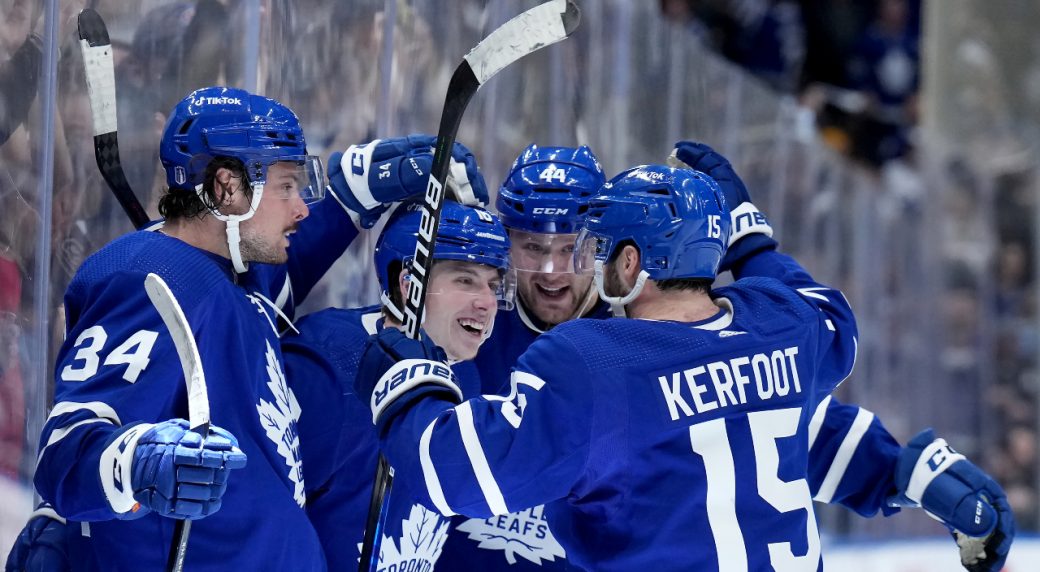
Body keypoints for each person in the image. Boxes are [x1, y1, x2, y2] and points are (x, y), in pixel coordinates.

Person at [440, 141, 1014, 572]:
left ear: (612, 247)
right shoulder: (462, 331)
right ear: (501, 238)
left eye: (571, 248)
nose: (551, 270)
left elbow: (779, 428)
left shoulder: (645, 349)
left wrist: (902, 470)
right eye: (531, 246)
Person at [21, 84, 491, 571]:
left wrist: (356, 193)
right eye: (287, 186)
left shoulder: (233, 272)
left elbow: (272, 277)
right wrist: (138, 462)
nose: (301, 208)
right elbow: (66, 450)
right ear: (227, 187)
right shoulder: (147, 278)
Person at [353, 162, 859, 570]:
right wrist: (754, 244)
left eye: (598, 247)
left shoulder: (596, 362)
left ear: (631, 263)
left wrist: (406, 381)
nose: (586, 262)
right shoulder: (786, 323)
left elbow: (456, 477)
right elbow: (836, 320)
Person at [293, 200, 512, 572]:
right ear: (407, 284)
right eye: (465, 280)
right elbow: (264, 512)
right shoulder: (324, 362)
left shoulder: (463, 375)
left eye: (493, 285)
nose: (488, 303)